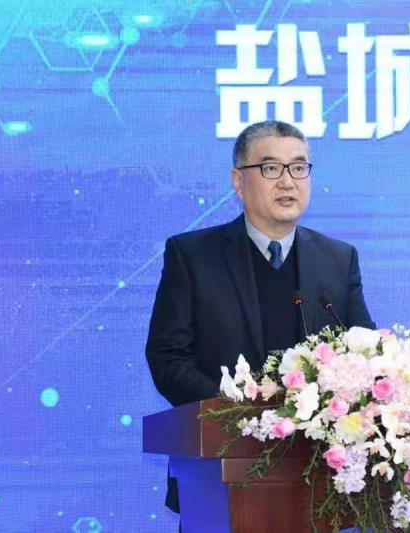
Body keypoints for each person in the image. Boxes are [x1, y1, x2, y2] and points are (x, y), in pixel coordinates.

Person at [145, 120, 375, 515]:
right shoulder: (193, 256)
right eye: (271, 168)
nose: (287, 181)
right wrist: (243, 414)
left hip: (321, 478)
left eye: (298, 167)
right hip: (218, 474)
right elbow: (168, 359)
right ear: (238, 181)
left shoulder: (338, 259)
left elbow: (365, 355)